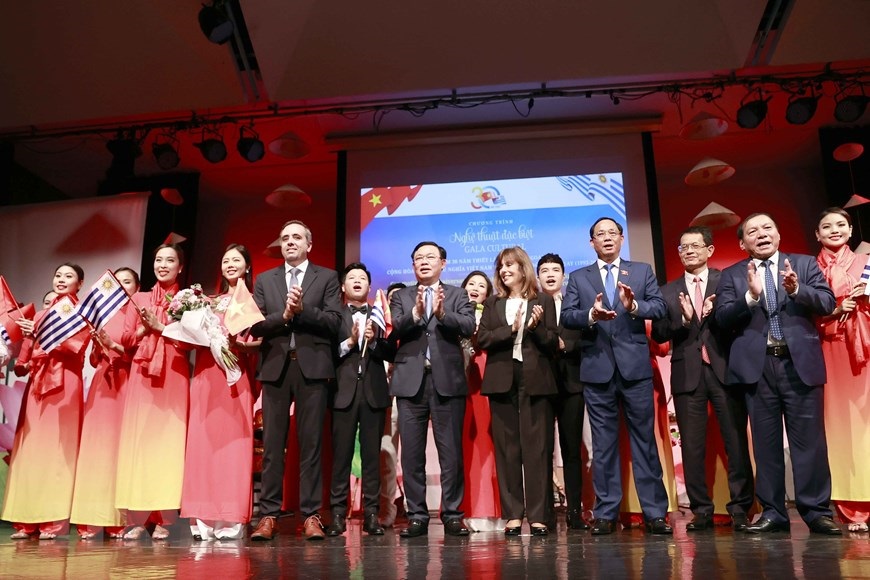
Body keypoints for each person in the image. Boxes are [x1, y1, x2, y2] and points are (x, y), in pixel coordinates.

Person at [714, 212, 839, 535]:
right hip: (758, 369)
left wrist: (797, 290)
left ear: (779, 235)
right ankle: (773, 512)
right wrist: (751, 297)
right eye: (753, 231)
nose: (762, 234)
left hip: (800, 364)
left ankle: (816, 511)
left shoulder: (804, 264)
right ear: (743, 243)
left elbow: (827, 302)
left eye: (767, 228)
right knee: (765, 445)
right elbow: (721, 318)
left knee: (810, 443)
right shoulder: (732, 275)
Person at [561, 217, 672, 535]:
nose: (607, 237)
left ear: (622, 239)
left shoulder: (641, 271)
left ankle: (655, 513)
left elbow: (659, 308)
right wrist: (590, 315)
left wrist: (634, 306)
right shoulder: (579, 277)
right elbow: (567, 316)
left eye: (612, 233)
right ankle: (606, 513)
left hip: (635, 370)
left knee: (644, 443)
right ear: (592, 242)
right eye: (601, 234)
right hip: (597, 371)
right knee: (604, 446)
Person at [651, 226, 754, 531]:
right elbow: (659, 334)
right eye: (683, 247)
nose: (689, 251)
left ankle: (740, 508)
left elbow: (742, 319)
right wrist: (683, 321)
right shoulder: (667, 291)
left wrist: (717, 311)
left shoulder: (727, 281)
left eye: (695, 246)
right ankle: (702, 510)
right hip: (687, 375)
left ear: (709, 250)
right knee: (692, 447)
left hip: (725, 370)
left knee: (735, 442)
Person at [250, 220, 343, 541]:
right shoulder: (265, 279)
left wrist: (302, 311)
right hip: (276, 367)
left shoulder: (327, 277)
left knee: (311, 445)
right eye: (285, 237)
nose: (290, 242)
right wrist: (286, 316)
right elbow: (256, 324)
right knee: (273, 446)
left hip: (313, 368)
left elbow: (334, 322)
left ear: (309, 245)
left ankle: (311, 515)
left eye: (296, 237)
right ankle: (268, 515)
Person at [389, 241, 475, 538]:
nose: (424, 261)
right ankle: (417, 515)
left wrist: (442, 314)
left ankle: (452, 514)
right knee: (412, 455)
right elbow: (395, 326)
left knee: (450, 453)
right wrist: (415, 314)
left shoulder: (457, 294)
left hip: (447, 380)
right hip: (410, 381)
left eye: (430, 257)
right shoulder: (401, 296)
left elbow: (468, 325)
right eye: (418, 258)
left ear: (443, 263)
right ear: (413, 265)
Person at [2, 263, 90, 540]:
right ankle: (26, 521)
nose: (61, 280)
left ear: (80, 284)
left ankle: (53, 521)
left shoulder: (80, 313)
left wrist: (40, 333)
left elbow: (75, 347)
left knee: (58, 450)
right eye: (58, 275)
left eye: (69, 276)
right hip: (37, 385)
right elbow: (23, 362)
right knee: (31, 451)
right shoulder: (40, 315)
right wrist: (20, 356)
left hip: (65, 384)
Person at [180, 244, 260, 540]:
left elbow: (259, 343)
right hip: (205, 376)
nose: (230, 264)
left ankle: (230, 517)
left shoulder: (253, 302)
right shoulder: (206, 302)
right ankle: (201, 517)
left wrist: (241, 346)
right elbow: (187, 340)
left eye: (236, 260)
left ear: (247, 267)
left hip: (234, 377)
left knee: (233, 445)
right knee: (203, 445)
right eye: (225, 260)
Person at [478, 247, 559, 536]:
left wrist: (535, 328)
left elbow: (553, 343)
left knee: (537, 449)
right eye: (501, 266)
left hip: (535, 379)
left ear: (523, 268)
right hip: (502, 379)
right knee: (507, 448)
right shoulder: (493, 303)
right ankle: (513, 514)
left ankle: (538, 516)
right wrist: (510, 330)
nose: (504, 270)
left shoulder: (543, 300)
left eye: (510, 265)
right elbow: (483, 338)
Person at [115, 244, 191, 541]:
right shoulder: (140, 298)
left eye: (170, 260)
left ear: (180, 267)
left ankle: (165, 518)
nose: (163, 265)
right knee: (140, 441)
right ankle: (137, 518)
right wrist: (145, 330)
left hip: (173, 371)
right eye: (158, 259)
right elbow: (126, 338)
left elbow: (192, 341)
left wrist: (162, 327)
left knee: (168, 443)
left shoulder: (189, 299)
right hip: (142, 372)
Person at [70, 267, 140, 540]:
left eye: (127, 282)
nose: (121, 287)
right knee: (96, 450)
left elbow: (139, 354)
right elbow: (92, 359)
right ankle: (90, 519)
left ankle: (118, 521)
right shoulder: (103, 315)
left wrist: (114, 345)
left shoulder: (138, 314)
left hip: (128, 382)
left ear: (136, 288)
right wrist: (99, 346)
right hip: (103, 385)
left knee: (120, 450)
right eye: (117, 282)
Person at [814, 207, 870, 533]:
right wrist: (835, 309)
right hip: (827, 349)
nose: (834, 230)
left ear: (850, 230)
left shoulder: (867, 263)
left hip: (864, 349)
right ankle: (850, 506)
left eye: (840, 224)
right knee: (836, 426)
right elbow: (801, 313)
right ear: (817, 234)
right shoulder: (809, 268)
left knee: (865, 423)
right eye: (827, 226)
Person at [325, 262, 392, 537]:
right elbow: (326, 354)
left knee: (371, 458)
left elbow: (392, 351)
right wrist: (350, 343)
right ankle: (337, 515)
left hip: (373, 393)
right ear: (343, 286)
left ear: (369, 285)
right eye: (351, 277)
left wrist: (374, 341)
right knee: (340, 456)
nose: (357, 281)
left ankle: (372, 515)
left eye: (362, 278)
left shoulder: (379, 316)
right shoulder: (334, 316)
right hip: (343, 393)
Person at [537, 253, 589, 530]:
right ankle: (544, 513)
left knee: (571, 450)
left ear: (563, 275)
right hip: (541, 385)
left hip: (572, 384)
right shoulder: (532, 305)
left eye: (555, 270)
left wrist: (566, 346)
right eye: (544, 270)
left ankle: (575, 511)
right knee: (542, 450)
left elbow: (588, 338)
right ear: (537, 276)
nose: (550, 274)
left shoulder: (576, 304)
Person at [458, 270, 501, 527]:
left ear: (488, 293)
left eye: (481, 285)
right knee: (466, 443)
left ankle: (491, 511)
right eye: (471, 283)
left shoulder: (493, 314)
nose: (475, 288)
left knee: (488, 442)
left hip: (487, 373)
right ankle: (466, 509)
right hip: (461, 377)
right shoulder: (454, 313)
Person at [379, 282, 406, 528]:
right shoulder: (379, 326)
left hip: (410, 394)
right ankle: (387, 508)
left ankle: (414, 507)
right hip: (386, 397)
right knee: (387, 454)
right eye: (392, 299)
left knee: (413, 456)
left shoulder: (412, 327)